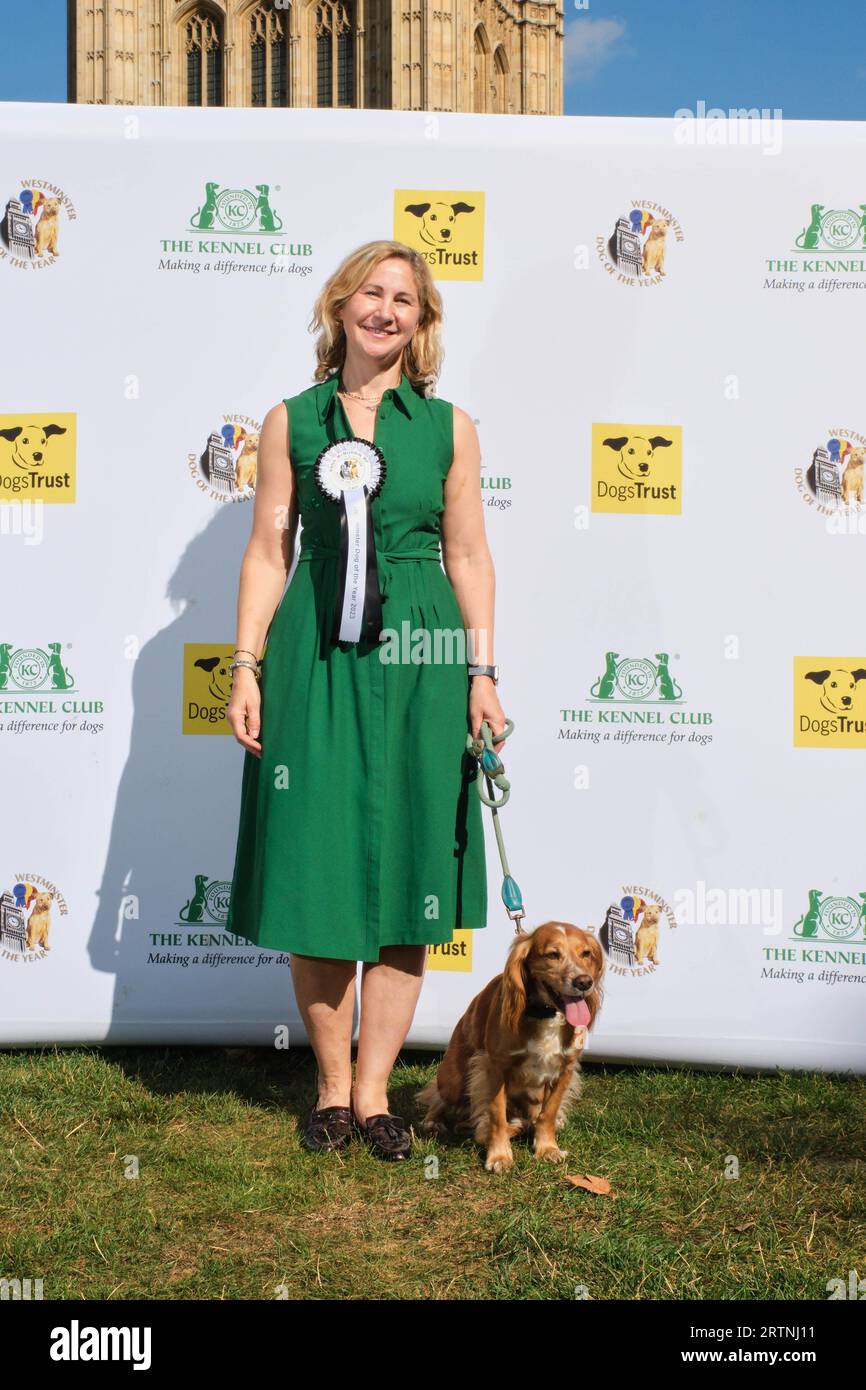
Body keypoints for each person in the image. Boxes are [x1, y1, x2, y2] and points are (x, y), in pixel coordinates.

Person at [225, 239, 506, 1161]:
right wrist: (246, 664)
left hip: (423, 651)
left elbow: (467, 555)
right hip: (316, 650)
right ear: (339, 306)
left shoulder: (450, 427)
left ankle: (381, 1094)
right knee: (318, 866)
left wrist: (482, 673)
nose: (387, 311)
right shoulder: (290, 421)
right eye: (372, 294)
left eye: (407, 300)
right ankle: (332, 1091)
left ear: (422, 324)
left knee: (410, 870)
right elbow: (271, 550)